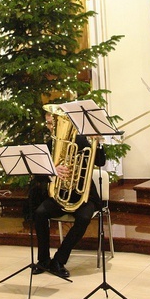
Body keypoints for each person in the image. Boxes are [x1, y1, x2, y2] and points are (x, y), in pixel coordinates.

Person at [32, 111, 106, 278]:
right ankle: (43, 260)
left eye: (53, 123)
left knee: (84, 218)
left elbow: (100, 162)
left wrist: (98, 142)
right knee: (40, 213)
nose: (51, 127)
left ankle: (59, 260)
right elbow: (38, 174)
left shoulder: (79, 140)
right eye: (49, 124)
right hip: (60, 195)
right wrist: (53, 171)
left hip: (83, 196)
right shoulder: (49, 144)